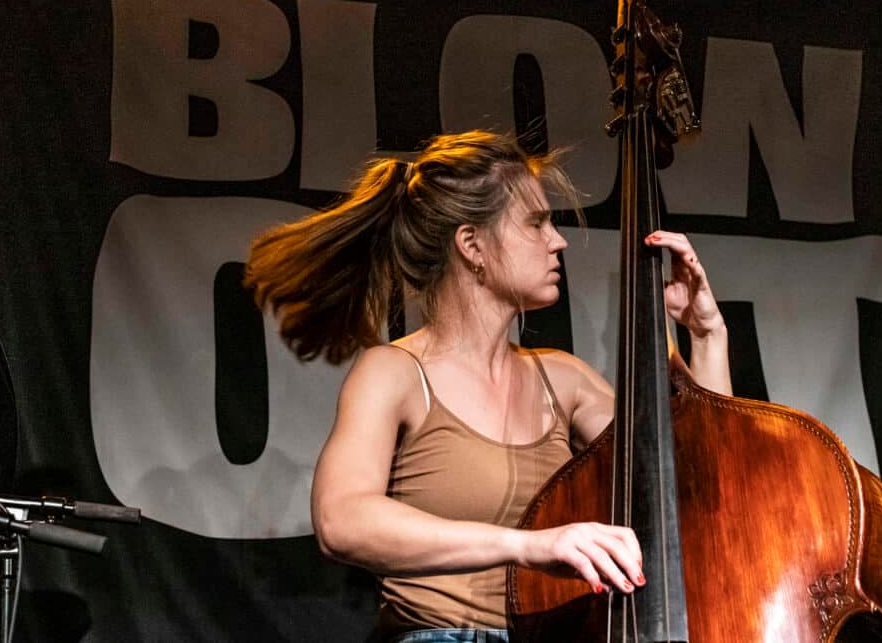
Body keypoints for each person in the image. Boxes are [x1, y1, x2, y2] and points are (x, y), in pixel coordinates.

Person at [245, 131, 731, 643]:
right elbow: (342, 521)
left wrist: (705, 334)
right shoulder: (394, 373)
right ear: (471, 244)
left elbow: (698, 476)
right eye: (536, 223)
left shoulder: (562, 380)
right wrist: (530, 546)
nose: (558, 241)